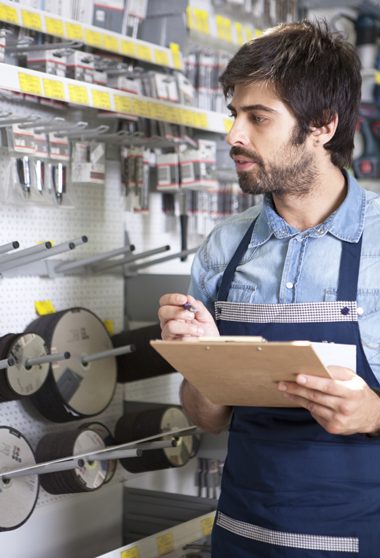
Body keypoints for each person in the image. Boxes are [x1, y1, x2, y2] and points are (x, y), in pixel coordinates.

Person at [158, 19, 380, 557]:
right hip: (241, 535)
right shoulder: (223, 247)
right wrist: (200, 361)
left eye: (258, 118)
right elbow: (207, 416)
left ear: (323, 125)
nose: (234, 135)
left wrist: (374, 414)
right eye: (235, 114)